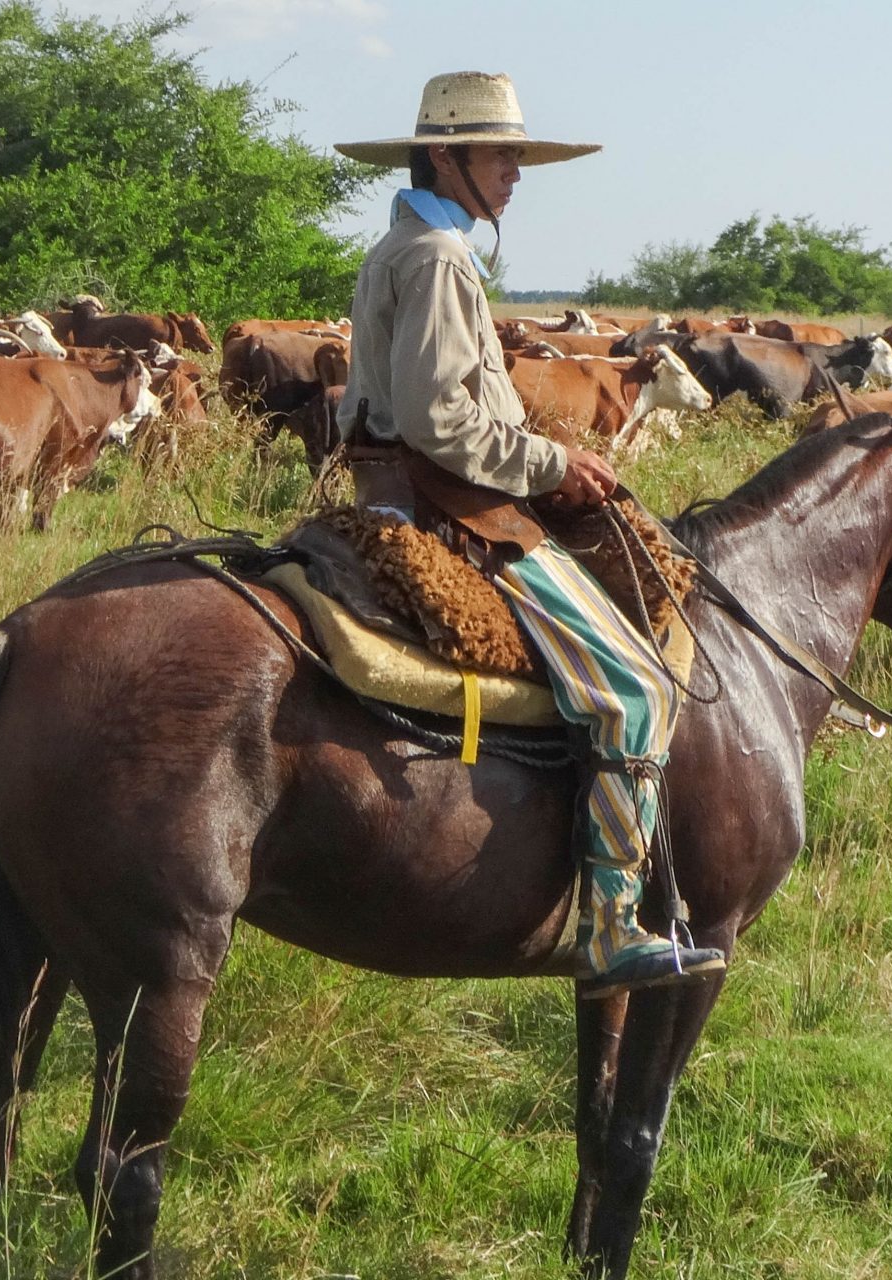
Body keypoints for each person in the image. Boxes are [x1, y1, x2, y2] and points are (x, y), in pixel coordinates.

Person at [334, 72, 723, 997]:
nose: (516, 172)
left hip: (419, 485)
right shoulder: (434, 255)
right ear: (445, 157)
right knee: (631, 689)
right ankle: (612, 927)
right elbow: (438, 418)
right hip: (448, 505)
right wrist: (554, 465)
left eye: (517, 155)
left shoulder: (422, 242)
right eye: (501, 155)